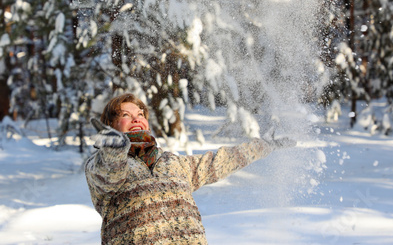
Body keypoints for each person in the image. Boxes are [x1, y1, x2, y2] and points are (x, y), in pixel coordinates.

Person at [85, 93, 295, 245]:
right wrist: (113, 149)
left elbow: (221, 161)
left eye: (140, 113)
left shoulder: (172, 164)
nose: (136, 118)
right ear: (111, 125)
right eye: (126, 115)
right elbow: (108, 175)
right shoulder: (99, 165)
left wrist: (264, 145)